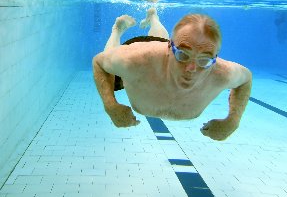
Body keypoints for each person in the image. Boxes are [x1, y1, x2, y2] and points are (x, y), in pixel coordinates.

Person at [92, 9, 252, 141]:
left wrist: (232, 121)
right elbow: (99, 62)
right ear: (169, 48)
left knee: (163, 42)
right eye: (183, 55)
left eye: (204, 60)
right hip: (149, 60)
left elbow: (246, 79)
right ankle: (117, 31)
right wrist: (111, 106)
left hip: (162, 55)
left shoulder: (222, 73)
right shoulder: (133, 61)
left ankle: (153, 18)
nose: (191, 68)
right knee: (112, 70)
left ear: (215, 57)